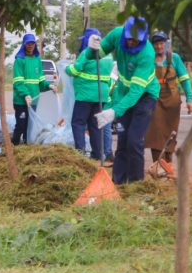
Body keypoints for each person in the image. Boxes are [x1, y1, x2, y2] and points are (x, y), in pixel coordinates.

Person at [90, 16, 160, 184]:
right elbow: (97, 55)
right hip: (124, 94)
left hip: (145, 97)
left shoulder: (147, 54)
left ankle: (136, 184)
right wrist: (90, 48)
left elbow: (136, 92)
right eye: (129, 39)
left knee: (134, 141)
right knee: (122, 140)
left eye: (136, 40)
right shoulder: (116, 34)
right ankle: (118, 182)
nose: (131, 43)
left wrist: (114, 110)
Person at [145, 31, 192, 163]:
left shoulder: (174, 58)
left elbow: (184, 79)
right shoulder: (148, 58)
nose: (159, 47)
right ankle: (158, 163)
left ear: (166, 44)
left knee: (170, 132)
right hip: (154, 99)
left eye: (161, 43)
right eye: (156, 44)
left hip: (172, 101)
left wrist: (189, 99)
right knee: (154, 131)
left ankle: (167, 162)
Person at [66, 28, 114, 161]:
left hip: (85, 95)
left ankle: (80, 152)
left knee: (78, 123)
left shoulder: (86, 53)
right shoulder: (108, 56)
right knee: (95, 125)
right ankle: (97, 154)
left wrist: (67, 67)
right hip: (101, 95)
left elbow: (74, 71)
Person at [12, 33, 56, 145]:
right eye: (28, 43)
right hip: (21, 100)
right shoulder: (19, 60)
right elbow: (18, 82)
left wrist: (48, 85)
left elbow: (41, 80)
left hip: (34, 100)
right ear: (24, 44)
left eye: (32, 43)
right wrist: (25, 94)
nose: (30, 45)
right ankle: (14, 144)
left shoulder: (37, 59)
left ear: (35, 44)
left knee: (30, 125)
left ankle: (27, 145)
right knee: (21, 124)